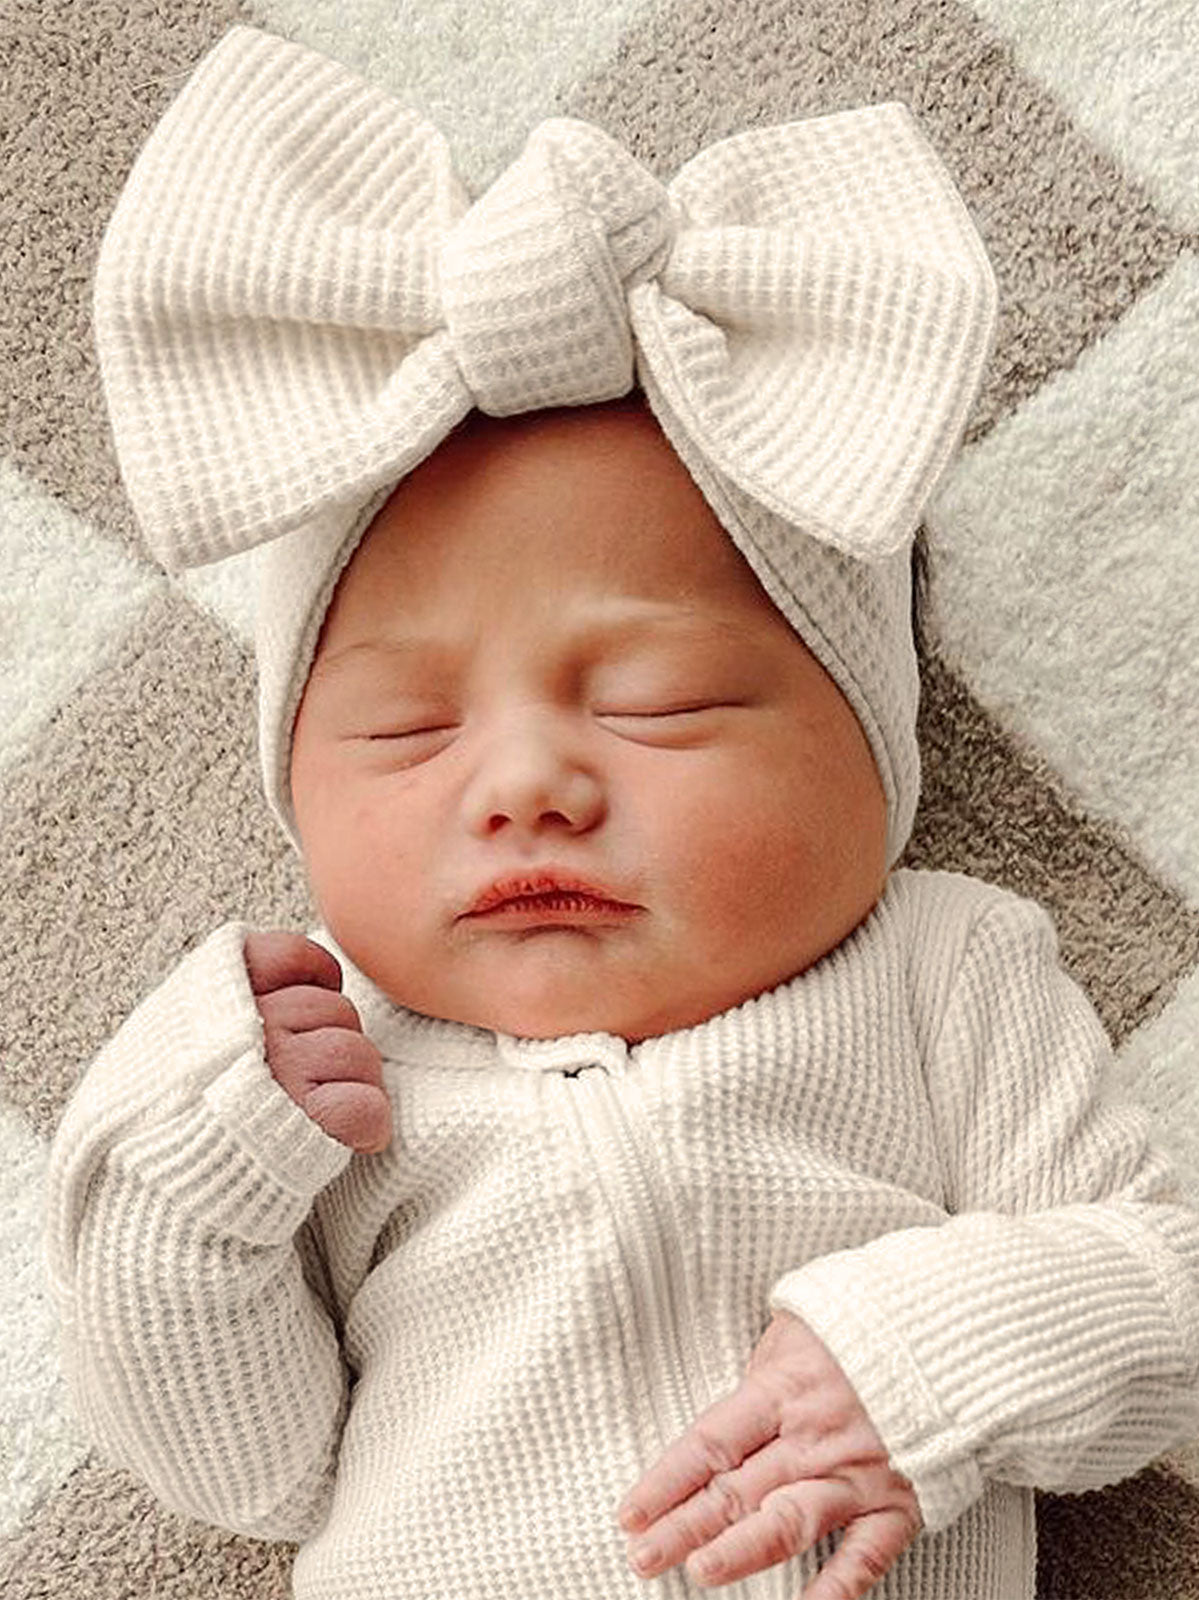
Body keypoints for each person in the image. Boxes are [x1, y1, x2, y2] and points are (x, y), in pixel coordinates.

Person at [46, 24, 1199, 1600]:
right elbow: (248, 1472)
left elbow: (1168, 1302)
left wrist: (931, 1359)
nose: (525, 785)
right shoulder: (323, 1055)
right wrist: (181, 1183)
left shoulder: (944, 965)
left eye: (658, 703)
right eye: (409, 726)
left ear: (870, 752)